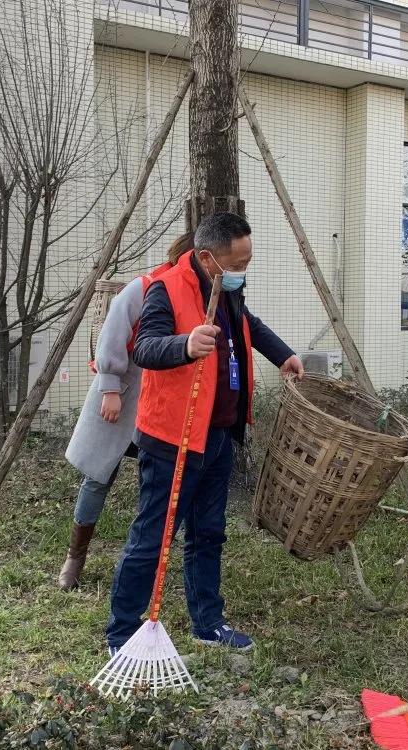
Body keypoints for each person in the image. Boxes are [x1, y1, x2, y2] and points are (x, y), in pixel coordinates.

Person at [106, 212, 304, 654]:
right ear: (206, 258)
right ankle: (123, 632)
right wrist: (184, 345)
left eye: (247, 261)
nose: (242, 271)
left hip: (218, 435)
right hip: (172, 438)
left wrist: (282, 355)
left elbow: (247, 324)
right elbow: (143, 346)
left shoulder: (228, 290)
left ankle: (207, 622)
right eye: (237, 263)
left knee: (209, 532)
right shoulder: (166, 288)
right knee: (153, 535)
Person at [58, 233, 194, 590]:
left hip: (165, 397)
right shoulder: (144, 287)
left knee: (161, 478)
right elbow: (112, 334)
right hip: (125, 388)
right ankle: (75, 556)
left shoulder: (199, 297)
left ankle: (147, 558)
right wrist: (110, 387)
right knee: (99, 474)